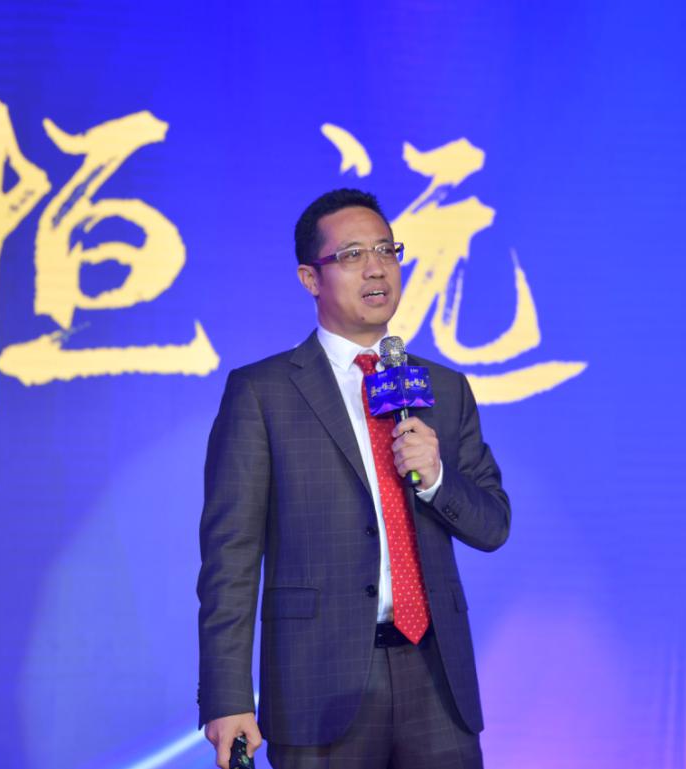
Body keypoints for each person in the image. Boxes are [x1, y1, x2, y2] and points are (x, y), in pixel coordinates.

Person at [197, 188, 510, 769]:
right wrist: (227, 696)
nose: (376, 267)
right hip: (318, 685)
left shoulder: (443, 389)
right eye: (352, 255)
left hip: (436, 680)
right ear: (309, 279)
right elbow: (229, 558)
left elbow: (494, 525)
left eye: (387, 250)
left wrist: (437, 478)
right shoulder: (263, 393)